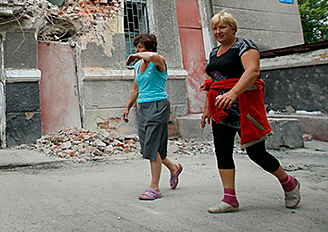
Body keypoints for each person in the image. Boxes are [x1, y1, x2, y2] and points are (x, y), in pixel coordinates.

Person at [201, 11, 301, 213]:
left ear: (233, 28)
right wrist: (207, 109)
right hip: (221, 109)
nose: (218, 32)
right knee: (222, 151)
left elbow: (252, 71)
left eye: (222, 27)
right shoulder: (214, 52)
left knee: (256, 153)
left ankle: (289, 183)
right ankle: (230, 199)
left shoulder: (245, 46)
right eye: (215, 28)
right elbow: (213, 83)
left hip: (245, 107)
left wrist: (233, 93)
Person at [122, 34, 182, 200]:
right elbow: (135, 89)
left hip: (158, 105)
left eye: (140, 47)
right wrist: (127, 107)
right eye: (137, 47)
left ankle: (154, 187)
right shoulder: (138, 65)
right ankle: (174, 167)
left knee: (153, 145)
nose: (137, 50)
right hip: (143, 107)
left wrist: (137, 56)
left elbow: (154, 56)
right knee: (148, 146)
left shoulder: (158, 62)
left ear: (149, 48)